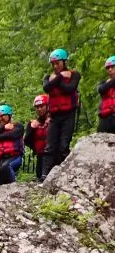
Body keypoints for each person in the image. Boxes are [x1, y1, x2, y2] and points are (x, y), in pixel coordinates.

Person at [42, 48, 81, 179]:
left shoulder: (74, 75)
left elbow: (70, 88)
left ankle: (65, 174)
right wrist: (60, 78)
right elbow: (46, 88)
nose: (55, 66)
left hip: (68, 114)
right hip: (54, 116)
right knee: (49, 147)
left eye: (57, 63)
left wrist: (57, 80)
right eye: (53, 64)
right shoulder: (48, 77)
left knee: (64, 145)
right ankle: (44, 175)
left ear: (64, 62)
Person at [0, 104, 24, 185]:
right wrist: (3, 128)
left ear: (9, 116)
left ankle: (13, 187)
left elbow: (13, 135)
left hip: (14, 157)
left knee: (6, 167)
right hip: (0, 161)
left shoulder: (18, 126)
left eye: (3, 116)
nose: (0, 119)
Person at [24, 94, 50, 182]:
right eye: (37, 107)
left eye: (41, 106)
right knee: (40, 178)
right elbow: (26, 141)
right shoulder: (33, 123)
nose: (39, 109)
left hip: (52, 155)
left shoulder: (54, 121)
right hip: (40, 155)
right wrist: (31, 128)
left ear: (47, 106)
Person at [97, 55, 115, 134]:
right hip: (105, 118)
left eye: (112, 67)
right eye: (108, 68)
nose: (110, 69)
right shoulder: (103, 83)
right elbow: (101, 90)